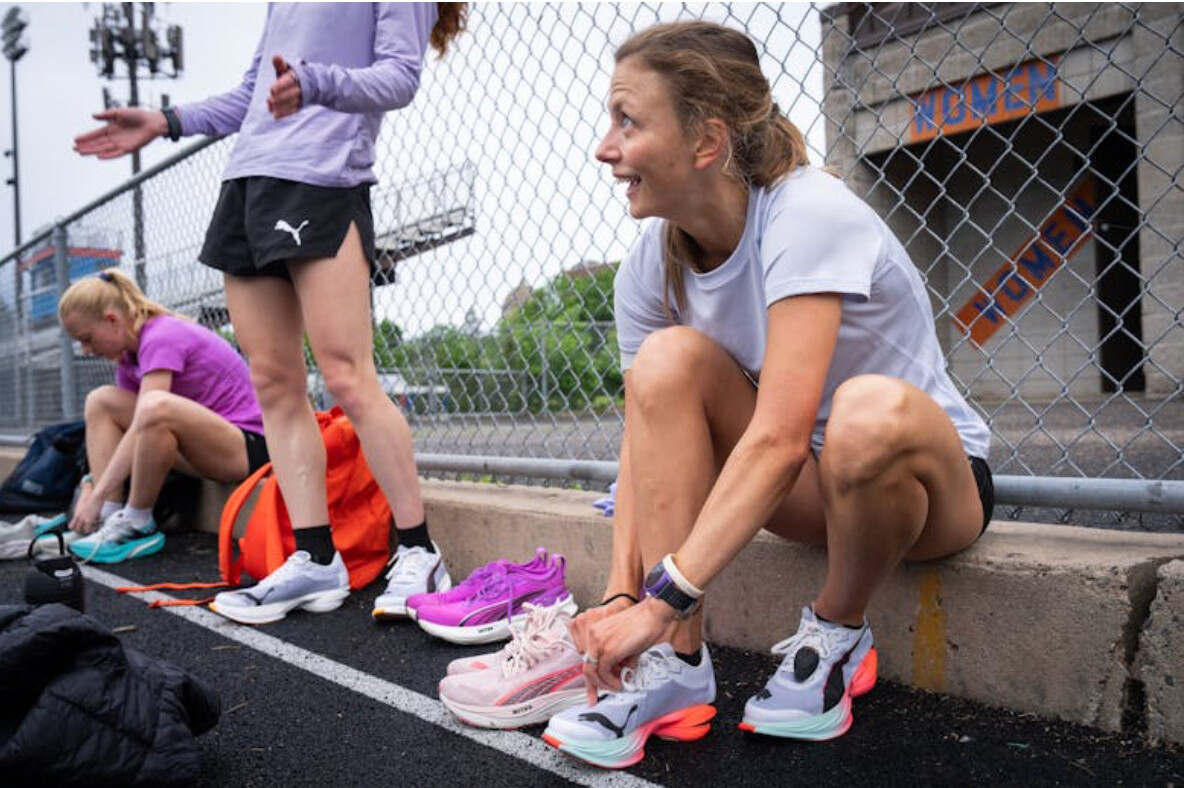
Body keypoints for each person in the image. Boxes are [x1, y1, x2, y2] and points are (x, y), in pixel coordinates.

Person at [543, 21, 995, 768]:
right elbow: (642, 438)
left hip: (927, 489)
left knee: (863, 413)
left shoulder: (807, 211)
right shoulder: (649, 267)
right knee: (665, 363)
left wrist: (661, 599)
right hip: (811, 492)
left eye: (628, 121)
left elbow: (780, 438)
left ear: (706, 141)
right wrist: (624, 596)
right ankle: (676, 669)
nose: (605, 147)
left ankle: (838, 633)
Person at [72, 4, 468, 623]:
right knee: (275, 382)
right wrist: (167, 121)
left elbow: (399, 77)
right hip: (248, 183)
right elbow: (251, 96)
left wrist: (314, 81)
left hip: (323, 179)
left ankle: (419, 550)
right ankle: (315, 559)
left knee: (347, 374)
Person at [58, 269, 268, 563]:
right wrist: (92, 485)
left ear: (112, 320)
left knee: (155, 406)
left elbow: (147, 417)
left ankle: (137, 522)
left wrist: (95, 493)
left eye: (87, 339)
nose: (86, 350)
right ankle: (106, 518)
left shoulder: (161, 335)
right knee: (101, 401)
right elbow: (133, 434)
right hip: (205, 447)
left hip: (247, 447)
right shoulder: (129, 358)